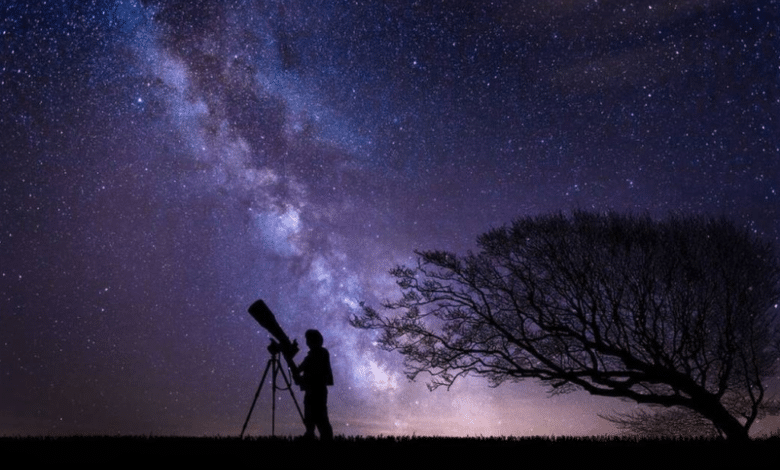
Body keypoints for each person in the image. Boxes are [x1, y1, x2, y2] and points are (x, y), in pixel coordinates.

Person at [295, 329, 333, 441]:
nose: (307, 342)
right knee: (311, 417)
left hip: (316, 391)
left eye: (309, 340)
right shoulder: (317, 353)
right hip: (314, 390)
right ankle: (310, 434)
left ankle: (323, 438)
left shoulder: (319, 353)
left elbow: (308, 370)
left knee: (320, 418)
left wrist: (299, 376)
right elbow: (303, 369)